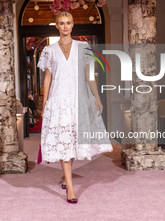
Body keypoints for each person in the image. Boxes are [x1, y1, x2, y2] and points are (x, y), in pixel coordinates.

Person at [37, 11, 113, 204]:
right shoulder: (49, 50)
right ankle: (70, 187)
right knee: (64, 140)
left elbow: (90, 76)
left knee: (71, 140)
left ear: (72, 26)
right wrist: (44, 104)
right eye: (61, 23)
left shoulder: (83, 47)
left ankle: (65, 177)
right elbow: (47, 79)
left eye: (68, 23)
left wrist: (97, 97)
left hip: (78, 101)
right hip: (58, 101)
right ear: (56, 25)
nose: (65, 26)